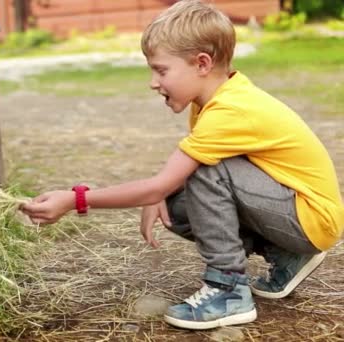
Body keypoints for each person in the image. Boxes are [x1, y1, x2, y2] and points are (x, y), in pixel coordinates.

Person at [21, 0, 344, 330]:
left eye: (161, 70)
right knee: (178, 206)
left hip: (310, 217)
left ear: (202, 63)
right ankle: (286, 254)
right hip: (298, 215)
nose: (153, 82)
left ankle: (228, 291)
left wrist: (77, 199)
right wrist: (159, 194)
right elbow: (172, 182)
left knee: (205, 172)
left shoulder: (229, 110)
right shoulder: (213, 99)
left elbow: (171, 180)